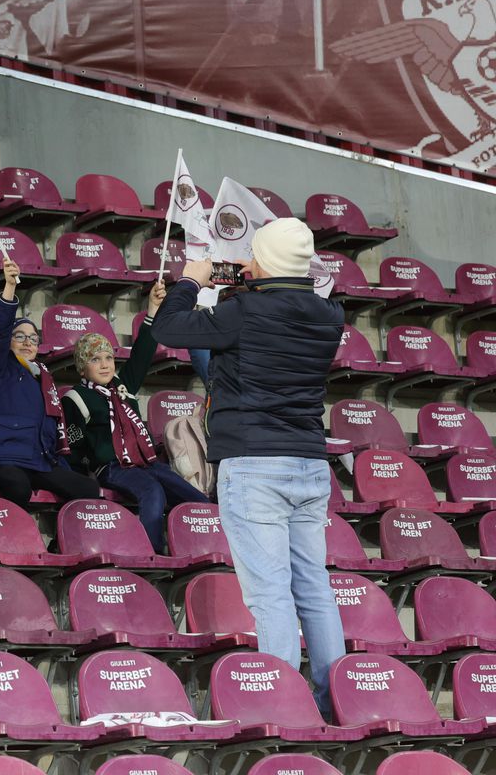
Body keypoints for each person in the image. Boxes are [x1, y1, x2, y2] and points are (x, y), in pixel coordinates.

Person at [150, 217, 346, 717]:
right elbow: (277, 310)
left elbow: (170, 327)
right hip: (308, 461)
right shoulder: (330, 314)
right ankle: (333, 704)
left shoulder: (244, 311)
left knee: (271, 595)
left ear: (265, 261)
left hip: (254, 464)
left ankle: (283, 713)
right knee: (315, 589)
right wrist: (255, 276)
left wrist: (192, 280)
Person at [63, 281, 207, 552]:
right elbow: (74, 445)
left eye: (108, 357)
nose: (105, 364)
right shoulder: (76, 398)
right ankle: (152, 553)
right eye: (95, 359)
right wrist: (90, 469)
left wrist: (152, 309)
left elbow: (142, 353)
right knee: (153, 492)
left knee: (196, 497)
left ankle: (199, 548)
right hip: (114, 467)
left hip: (146, 461)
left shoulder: (122, 385)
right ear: (82, 368)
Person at [0, 259, 105, 509]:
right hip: (3, 458)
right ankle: (14, 544)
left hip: (38, 460)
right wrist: (9, 290)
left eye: (33, 338)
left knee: (88, 488)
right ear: (8, 342)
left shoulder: (42, 377)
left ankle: (62, 544)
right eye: (19, 336)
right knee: (18, 486)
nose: (27, 342)